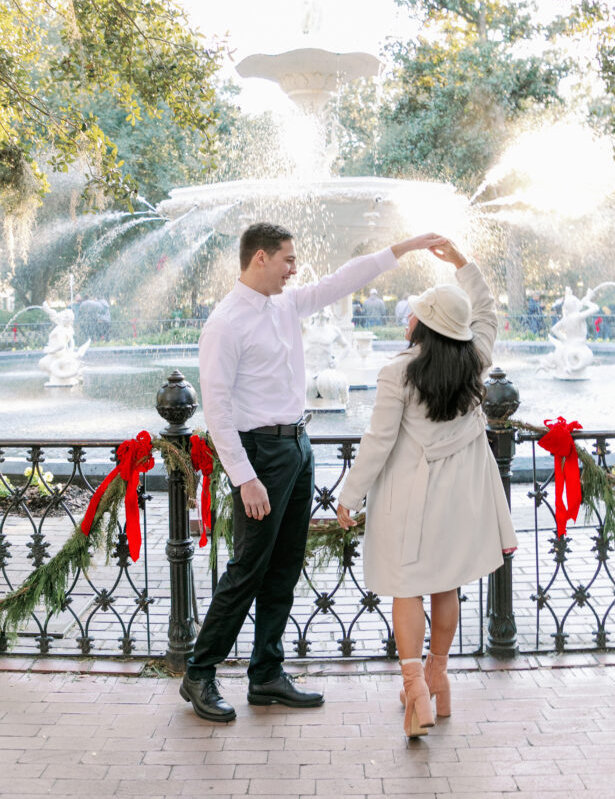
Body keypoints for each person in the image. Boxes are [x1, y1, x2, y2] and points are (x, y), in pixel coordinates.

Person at [180, 221, 448, 723]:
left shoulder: (285, 305)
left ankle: (266, 676)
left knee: (284, 565)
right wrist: (244, 475)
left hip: (297, 447)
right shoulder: (225, 323)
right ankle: (199, 671)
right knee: (247, 569)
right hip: (258, 455)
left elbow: (344, 280)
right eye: (287, 258)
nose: (294, 268)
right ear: (259, 258)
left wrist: (407, 245)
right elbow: (215, 406)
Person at [336, 239, 517, 738]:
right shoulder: (475, 362)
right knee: (445, 585)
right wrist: (463, 264)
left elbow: (377, 442)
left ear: (425, 326)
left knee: (406, 588)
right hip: (459, 501)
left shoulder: (398, 372)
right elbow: (487, 313)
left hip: (410, 503)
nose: (408, 319)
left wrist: (348, 495)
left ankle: (416, 690)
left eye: (415, 314)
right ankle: (440, 678)